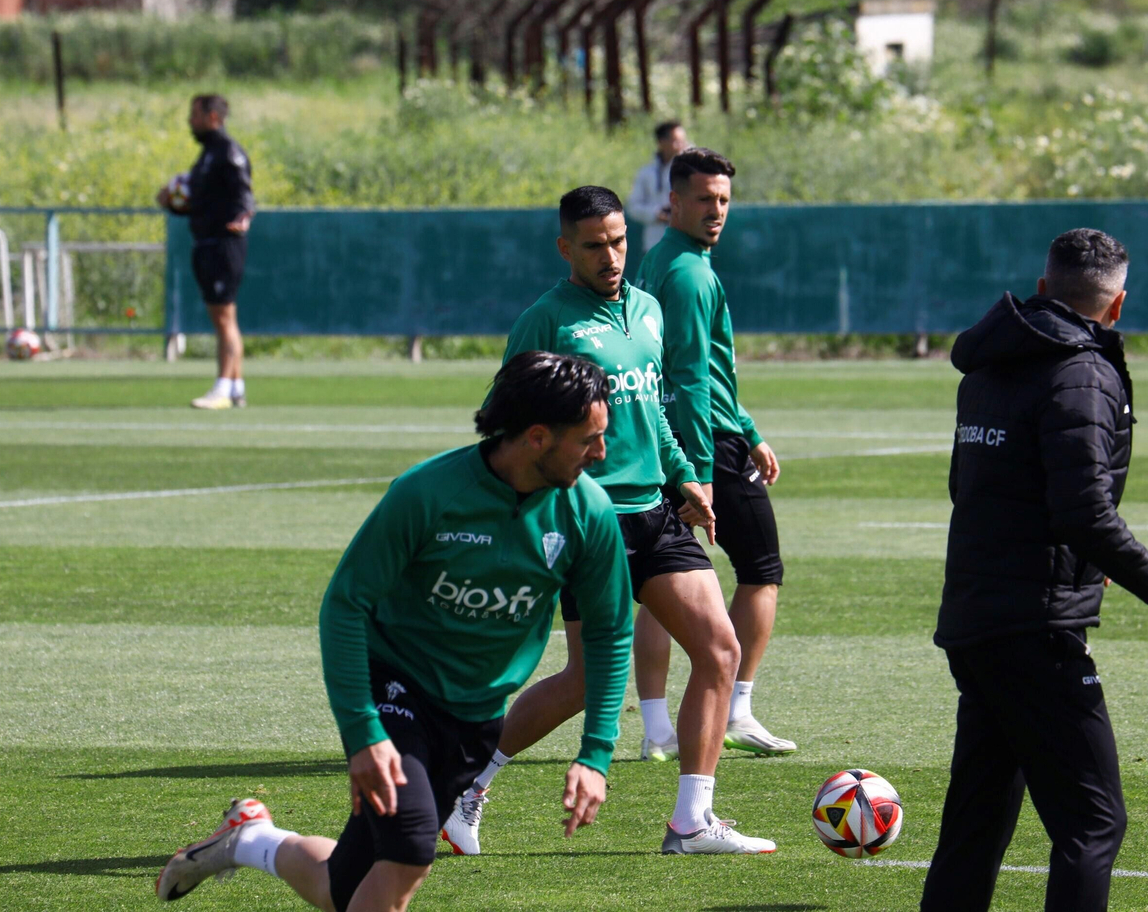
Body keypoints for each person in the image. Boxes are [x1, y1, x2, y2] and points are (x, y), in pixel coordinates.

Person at [155, 352, 635, 909]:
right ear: (536, 438)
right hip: (395, 687)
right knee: (410, 847)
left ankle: (250, 838)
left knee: (345, 887)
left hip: (475, 717)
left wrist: (595, 754)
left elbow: (608, 633)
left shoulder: (589, 513)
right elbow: (345, 604)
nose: (602, 453)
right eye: (588, 439)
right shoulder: (428, 494)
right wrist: (363, 732)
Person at [443, 186, 772, 858]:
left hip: (656, 511)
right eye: (594, 245)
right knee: (591, 680)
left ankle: (691, 823)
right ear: (566, 248)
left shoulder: (648, 311)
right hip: (588, 520)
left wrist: (685, 476)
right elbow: (501, 418)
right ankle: (468, 786)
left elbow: (653, 409)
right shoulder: (547, 320)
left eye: (619, 241)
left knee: (718, 650)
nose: (611, 256)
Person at [920, 228, 1148, 912]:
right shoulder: (1084, 372)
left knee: (979, 816)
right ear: (1119, 306)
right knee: (1094, 821)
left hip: (974, 615)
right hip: (1034, 626)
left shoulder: (987, 364)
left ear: (1043, 288)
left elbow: (978, 488)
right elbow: (1082, 512)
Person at [635, 148, 795, 758]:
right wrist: (699, 473)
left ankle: (655, 727)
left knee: (660, 581)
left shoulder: (657, 261)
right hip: (703, 446)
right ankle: (737, 709)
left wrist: (750, 426)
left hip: (670, 442)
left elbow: (702, 372)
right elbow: (693, 379)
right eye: (704, 199)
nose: (716, 211)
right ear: (673, 202)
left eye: (724, 200)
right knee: (762, 573)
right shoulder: (693, 274)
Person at [156, 94, 255, 410]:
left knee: (224, 317)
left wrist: (243, 216)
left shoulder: (227, 151)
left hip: (223, 243)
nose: (190, 121)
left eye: (195, 115)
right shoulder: (207, 156)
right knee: (223, 317)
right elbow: (199, 202)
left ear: (213, 117)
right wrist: (172, 201)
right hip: (207, 241)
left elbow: (243, 193)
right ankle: (236, 386)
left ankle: (223, 388)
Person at [624, 121, 688, 259]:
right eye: (676, 141)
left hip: (686, 243)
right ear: (661, 142)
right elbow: (633, 207)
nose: (681, 146)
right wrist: (656, 214)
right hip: (655, 243)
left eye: (683, 141)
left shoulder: (692, 171)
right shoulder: (647, 173)